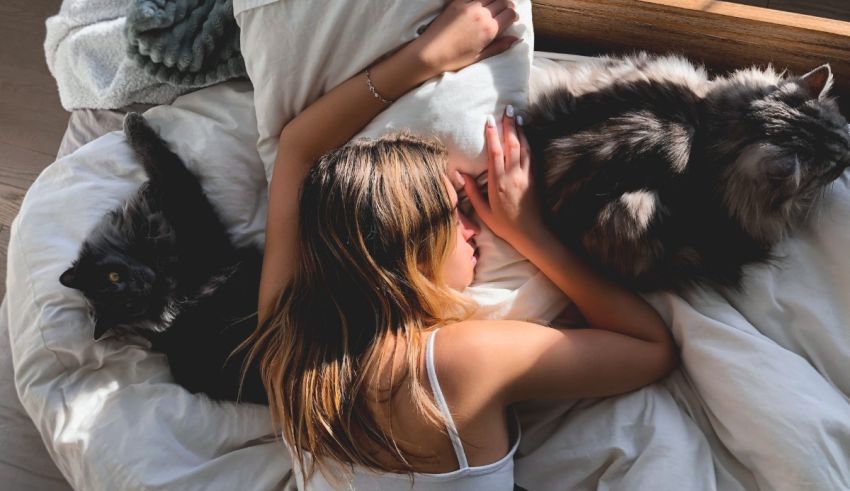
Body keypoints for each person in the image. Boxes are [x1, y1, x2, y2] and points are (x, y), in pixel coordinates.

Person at [249, 0, 678, 488]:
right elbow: (650, 348)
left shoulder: (290, 351)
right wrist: (528, 231)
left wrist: (428, 56)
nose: (477, 228)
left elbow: (296, 149)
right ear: (412, 249)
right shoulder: (452, 366)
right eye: (459, 214)